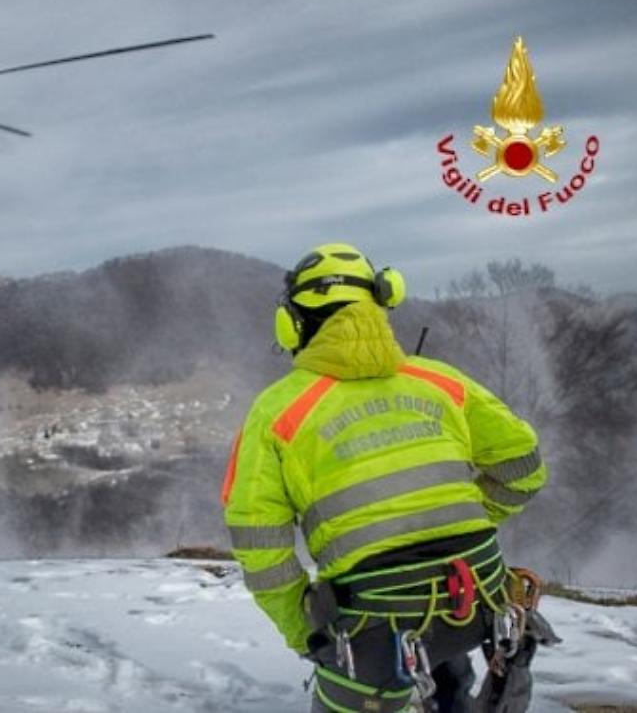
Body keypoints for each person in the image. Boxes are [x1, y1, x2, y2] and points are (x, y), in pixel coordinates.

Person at [221, 243, 547, 712]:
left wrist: (306, 634)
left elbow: (261, 547)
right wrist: (467, 517)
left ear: (291, 323)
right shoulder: (441, 381)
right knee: (446, 665)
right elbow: (524, 470)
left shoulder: (276, 412)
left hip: (372, 630)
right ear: (381, 302)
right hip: (480, 605)